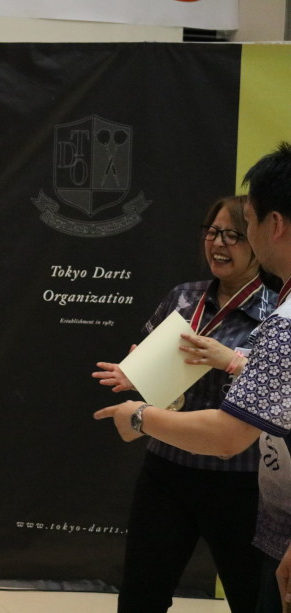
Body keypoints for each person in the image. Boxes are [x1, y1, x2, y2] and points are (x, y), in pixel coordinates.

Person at [95, 142, 291, 613]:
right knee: (141, 595)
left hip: (240, 479)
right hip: (169, 465)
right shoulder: (184, 297)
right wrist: (140, 374)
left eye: (237, 232)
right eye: (212, 232)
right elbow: (151, 364)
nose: (219, 243)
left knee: (254, 597)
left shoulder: (278, 316)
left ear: (271, 228)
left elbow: (230, 436)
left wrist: (139, 416)